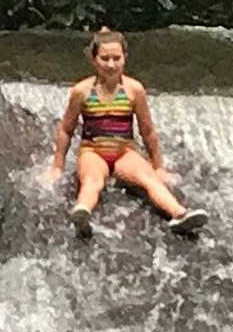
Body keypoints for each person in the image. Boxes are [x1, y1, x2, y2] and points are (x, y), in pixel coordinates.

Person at [41, 27, 208, 237]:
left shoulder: (134, 90)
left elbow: (147, 131)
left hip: (124, 152)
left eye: (116, 58)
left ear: (124, 59)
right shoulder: (82, 91)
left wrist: (158, 166)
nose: (111, 64)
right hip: (93, 151)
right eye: (104, 58)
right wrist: (57, 166)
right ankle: (82, 213)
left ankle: (180, 215)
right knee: (93, 180)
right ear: (94, 60)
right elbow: (66, 129)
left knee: (149, 179)